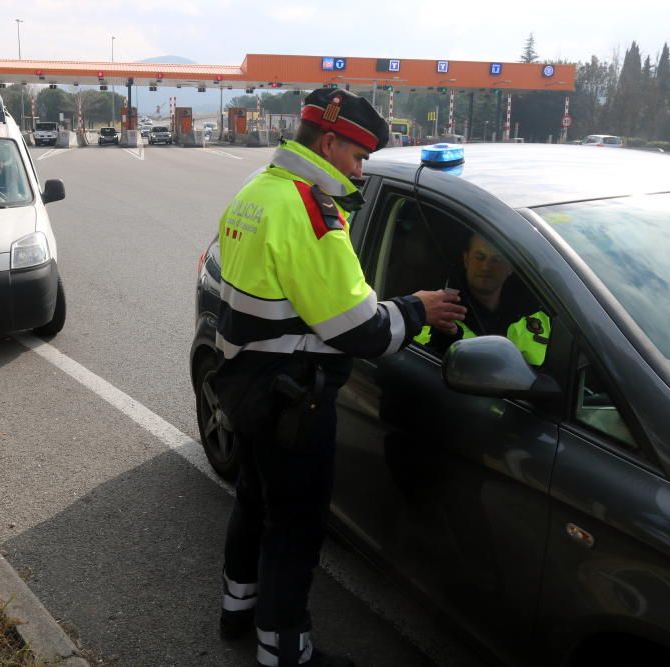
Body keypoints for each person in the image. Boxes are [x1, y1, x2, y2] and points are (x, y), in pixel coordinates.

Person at [213, 88, 466, 667]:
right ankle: (285, 653)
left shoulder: (256, 192)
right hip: (290, 400)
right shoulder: (310, 213)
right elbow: (361, 331)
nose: (358, 171)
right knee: (295, 528)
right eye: (357, 157)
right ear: (329, 143)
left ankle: (237, 611)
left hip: (242, 383)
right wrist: (420, 308)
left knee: (252, 502)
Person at [414, 232, 550, 365]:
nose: (486, 267)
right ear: (466, 260)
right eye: (479, 257)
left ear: (510, 267)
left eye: (496, 259)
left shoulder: (540, 313)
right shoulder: (439, 313)